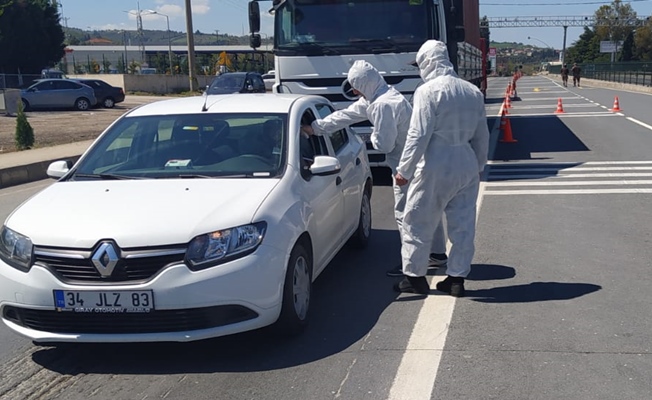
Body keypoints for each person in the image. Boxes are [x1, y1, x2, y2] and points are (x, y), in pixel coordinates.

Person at [303, 60, 448, 275]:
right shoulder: (382, 96)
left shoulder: (382, 105)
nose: (353, 91)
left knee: (406, 215)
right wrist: (315, 128)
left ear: (364, 84)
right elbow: (346, 115)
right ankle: (436, 254)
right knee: (428, 209)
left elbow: (384, 144)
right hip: (421, 162)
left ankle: (413, 265)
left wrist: (370, 136)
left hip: (406, 168)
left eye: (355, 86)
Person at [393, 40, 489, 296]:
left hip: (435, 162)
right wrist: (479, 164)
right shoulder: (472, 92)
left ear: (427, 62)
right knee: (463, 224)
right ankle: (456, 278)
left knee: (417, 221)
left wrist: (404, 170)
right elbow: (482, 135)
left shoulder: (427, 91)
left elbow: (418, 134)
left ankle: (414, 277)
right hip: (466, 162)